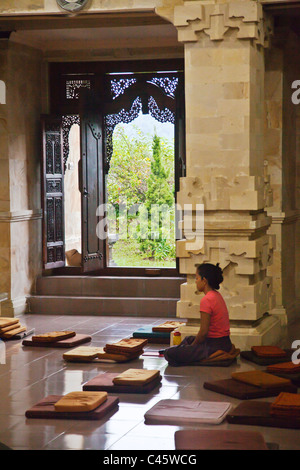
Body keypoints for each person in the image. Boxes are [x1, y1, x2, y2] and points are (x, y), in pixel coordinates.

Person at [163, 262, 232, 366]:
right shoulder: (217, 295)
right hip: (225, 343)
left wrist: (192, 348)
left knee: (168, 353)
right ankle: (185, 352)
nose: (196, 282)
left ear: (204, 281)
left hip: (214, 346)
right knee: (188, 339)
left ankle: (186, 356)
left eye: (197, 278)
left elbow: (203, 333)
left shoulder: (207, 299)